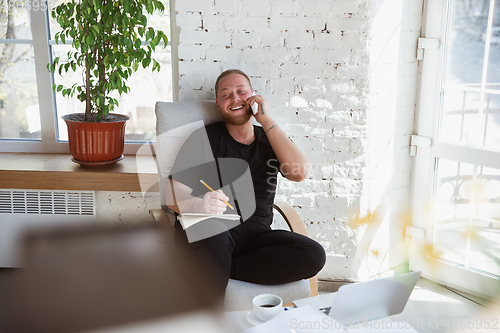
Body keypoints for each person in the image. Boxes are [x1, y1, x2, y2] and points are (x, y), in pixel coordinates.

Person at [166, 69, 326, 293]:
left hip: (254, 238)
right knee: (215, 229)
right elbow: (171, 194)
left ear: (252, 96)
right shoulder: (204, 138)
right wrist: (198, 204)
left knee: (313, 254)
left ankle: (219, 268)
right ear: (218, 104)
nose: (235, 98)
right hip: (211, 229)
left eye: (241, 92)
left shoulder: (270, 139)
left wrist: (265, 118)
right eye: (226, 95)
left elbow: (298, 173)